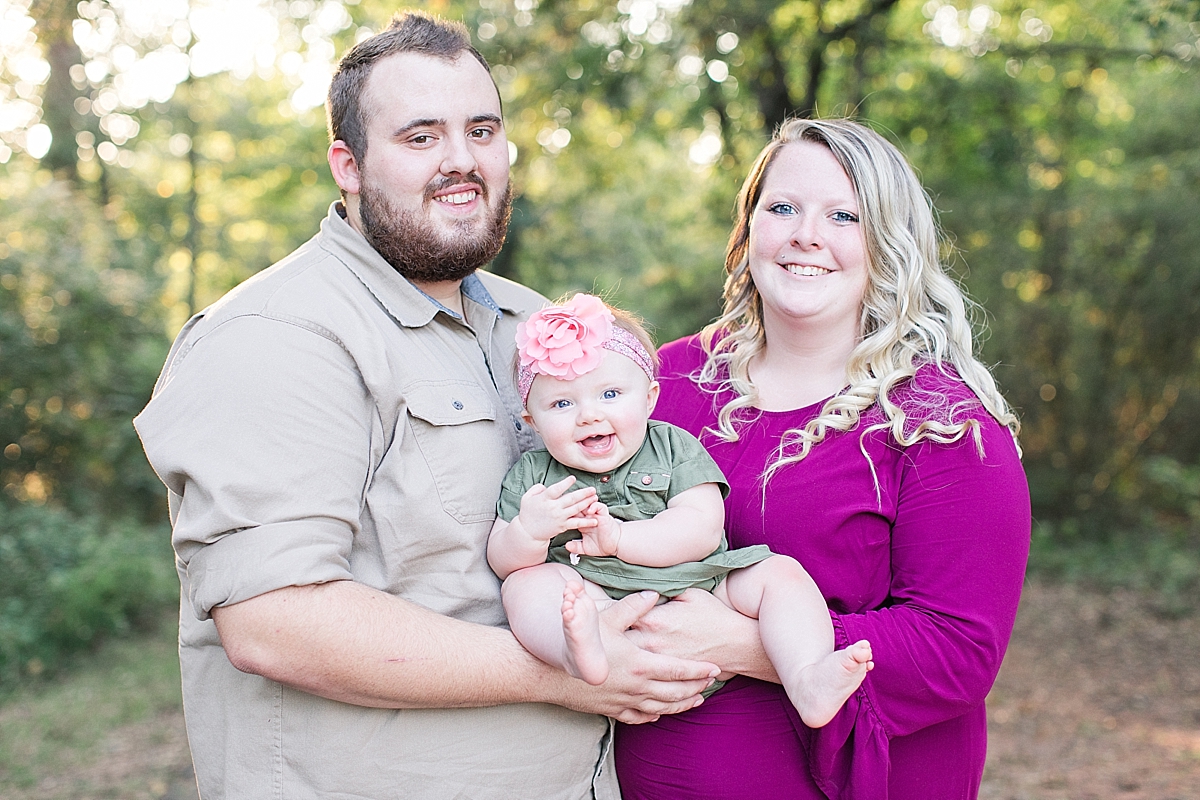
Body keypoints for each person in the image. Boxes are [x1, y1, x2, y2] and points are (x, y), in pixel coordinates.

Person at [133, 12, 719, 800]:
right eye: (421, 137)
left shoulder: (533, 326)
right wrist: (567, 676)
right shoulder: (275, 336)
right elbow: (275, 622)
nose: (462, 160)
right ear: (348, 164)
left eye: (482, 130)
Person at [614, 118, 1031, 799]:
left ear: (888, 242)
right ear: (750, 231)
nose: (806, 234)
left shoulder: (941, 424)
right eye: (783, 208)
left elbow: (958, 651)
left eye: (844, 215)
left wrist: (738, 644)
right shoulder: (667, 385)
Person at [487, 293, 875, 727]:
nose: (588, 416)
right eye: (562, 403)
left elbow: (702, 529)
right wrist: (529, 533)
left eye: (610, 394)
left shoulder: (671, 446)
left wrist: (619, 539)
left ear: (649, 397)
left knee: (779, 573)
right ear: (531, 420)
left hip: (704, 586)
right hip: (596, 599)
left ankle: (806, 676)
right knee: (526, 584)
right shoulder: (533, 474)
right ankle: (575, 650)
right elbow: (503, 559)